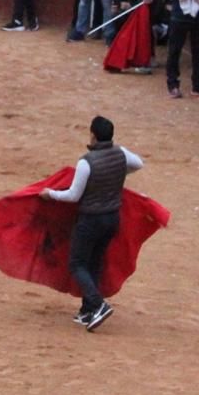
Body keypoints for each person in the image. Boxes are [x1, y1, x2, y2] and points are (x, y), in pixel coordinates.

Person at [40, 115, 143, 331]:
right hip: (112, 219)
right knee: (94, 262)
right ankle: (87, 310)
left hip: (91, 220)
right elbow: (138, 164)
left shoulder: (87, 162)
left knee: (77, 263)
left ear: (93, 135)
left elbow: (73, 196)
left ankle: (98, 304)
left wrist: (51, 194)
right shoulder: (121, 154)